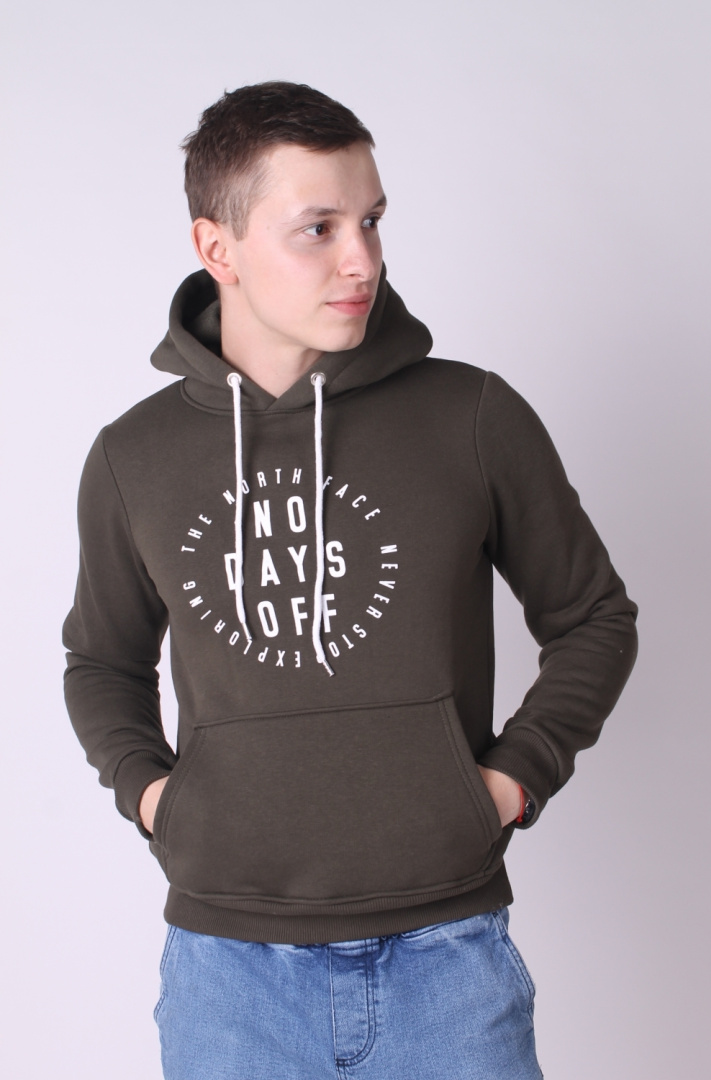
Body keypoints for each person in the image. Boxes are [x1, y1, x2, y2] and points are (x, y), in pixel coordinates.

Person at [63, 81, 638, 1080]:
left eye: (370, 220)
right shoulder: (133, 457)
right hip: (229, 975)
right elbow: (100, 663)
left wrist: (506, 782)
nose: (361, 259)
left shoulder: (471, 416)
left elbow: (592, 616)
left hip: (447, 960)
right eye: (317, 228)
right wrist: (156, 800)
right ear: (217, 248)